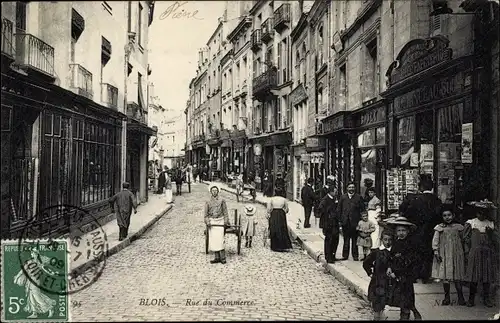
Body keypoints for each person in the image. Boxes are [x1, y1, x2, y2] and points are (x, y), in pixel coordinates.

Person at [399, 177, 442, 283]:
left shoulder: (416, 200)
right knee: (428, 253)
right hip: (431, 231)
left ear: (421, 187)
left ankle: (415, 274)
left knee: (416, 252)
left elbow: (408, 213)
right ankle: (425, 275)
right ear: (431, 187)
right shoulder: (437, 200)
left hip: (418, 230)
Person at [385, 216, 422, 320]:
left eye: (403, 230)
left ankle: (407, 314)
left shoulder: (410, 244)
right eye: (399, 230)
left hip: (407, 274)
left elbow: (409, 261)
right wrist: (389, 267)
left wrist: (396, 272)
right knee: (399, 296)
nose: (401, 233)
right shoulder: (396, 243)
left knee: (407, 295)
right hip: (396, 274)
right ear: (395, 232)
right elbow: (391, 257)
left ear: (408, 231)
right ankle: (408, 311)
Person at [463, 199, 498, 307]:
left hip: (487, 253)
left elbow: (496, 240)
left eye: (484, 212)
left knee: (486, 277)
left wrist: (491, 233)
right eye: (479, 212)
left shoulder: (490, 224)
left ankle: (486, 298)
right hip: (475, 252)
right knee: (474, 277)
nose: (481, 215)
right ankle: (471, 299)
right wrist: (467, 251)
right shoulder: (471, 223)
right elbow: (466, 238)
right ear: (476, 212)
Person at [431, 205, 466, 306]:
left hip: (456, 254)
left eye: (449, 215)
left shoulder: (459, 227)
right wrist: (436, 252)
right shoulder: (439, 228)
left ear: (453, 215)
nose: (447, 217)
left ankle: (461, 296)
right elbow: (435, 241)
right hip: (444, 254)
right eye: (445, 215)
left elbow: (463, 239)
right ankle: (447, 297)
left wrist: (464, 252)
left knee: (457, 276)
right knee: (446, 276)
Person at [363, 229, 394, 321]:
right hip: (378, 281)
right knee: (377, 301)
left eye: (390, 240)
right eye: (385, 239)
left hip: (389, 281)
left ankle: (382, 315)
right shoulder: (376, 252)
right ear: (381, 240)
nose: (387, 242)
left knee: (386, 300)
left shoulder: (393, 252)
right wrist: (370, 272)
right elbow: (366, 263)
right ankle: (376, 317)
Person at [338, 182, 366, 261]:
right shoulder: (343, 197)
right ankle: (345, 255)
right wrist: (340, 221)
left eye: (353, 187)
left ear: (355, 188)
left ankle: (355, 255)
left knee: (355, 240)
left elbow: (362, 210)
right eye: (350, 187)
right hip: (345, 222)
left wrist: (361, 221)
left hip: (355, 222)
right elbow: (339, 210)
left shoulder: (358, 197)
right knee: (346, 240)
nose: (351, 189)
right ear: (347, 188)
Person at [204, 184, 230, 264]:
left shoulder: (222, 200)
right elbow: (206, 215)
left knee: (220, 239)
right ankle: (216, 257)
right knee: (214, 239)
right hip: (213, 221)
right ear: (211, 192)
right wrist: (208, 222)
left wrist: (225, 221)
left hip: (220, 221)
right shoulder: (208, 201)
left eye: (216, 190)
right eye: (213, 191)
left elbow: (225, 212)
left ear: (218, 191)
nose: (214, 192)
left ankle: (223, 257)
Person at [318, 185, 340, 263]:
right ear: (331, 192)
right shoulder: (325, 200)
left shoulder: (334, 199)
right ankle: (328, 257)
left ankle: (333, 255)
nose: (336, 193)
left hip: (334, 223)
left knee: (335, 240)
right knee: (329, 240)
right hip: (328, 224)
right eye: (335, 191)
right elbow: (320, 210)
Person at [266, 186, 293, 252]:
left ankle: (275, 245)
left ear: (275, 192)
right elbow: (287, 209)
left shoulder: (272, 199)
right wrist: (283, 212)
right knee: (282, 229)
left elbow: (269, 209)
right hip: (281, 214)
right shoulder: (284, 200)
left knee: (274, 228)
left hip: (274, 213)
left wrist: (269, 213)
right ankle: (283, 245)